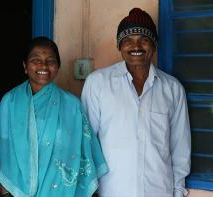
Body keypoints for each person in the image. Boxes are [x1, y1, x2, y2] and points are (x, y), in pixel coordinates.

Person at [81, 7, 191, 197]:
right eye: (128, 41)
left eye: (144, 40)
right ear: (119, 46)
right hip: (112, 191)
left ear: (154, 45)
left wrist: (178, 191)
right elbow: (86, 142)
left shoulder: (172, 89)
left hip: (159, 191)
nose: (136, 46)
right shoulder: (98, 83)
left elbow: (180, 147)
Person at [0, 36, 108, 197]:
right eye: (36, 60)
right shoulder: (10, 102)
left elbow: (86, 154)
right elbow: (3, 155)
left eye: (50, 60)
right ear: (25, 66)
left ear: (58, 67)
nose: (43, 65)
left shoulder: (72, 105)